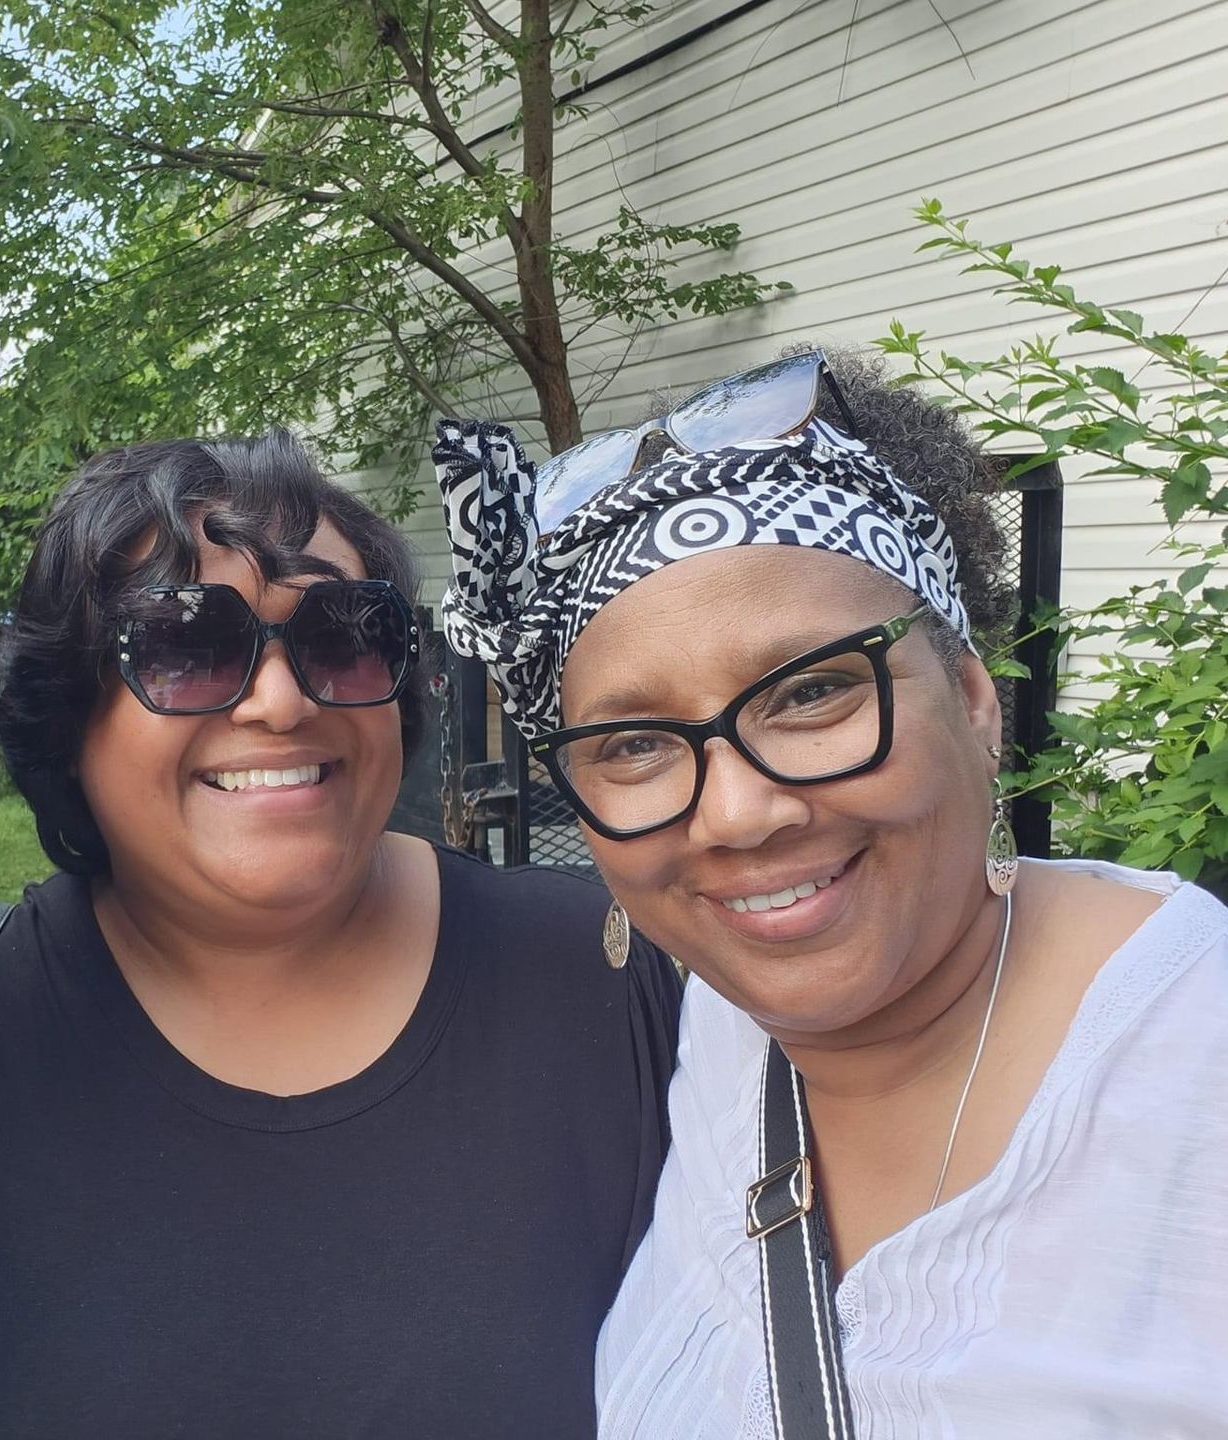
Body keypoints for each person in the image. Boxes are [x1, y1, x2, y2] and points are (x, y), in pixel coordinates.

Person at [433, 347, 1228, 1437]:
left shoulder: (1193, 1073)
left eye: (811, 692)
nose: (737, 814)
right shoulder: (717, 1028)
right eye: (632, 744)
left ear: (975, 701)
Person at [0, 431, 682, 1438]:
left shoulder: (624, 977)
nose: (281, 702)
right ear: (69, 710)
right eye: (187, 645)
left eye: (341, 634)